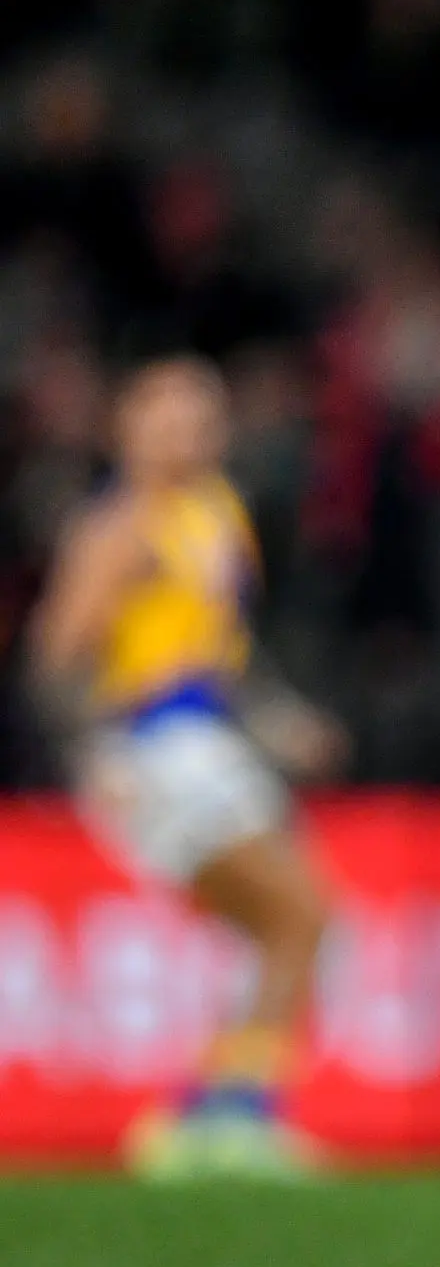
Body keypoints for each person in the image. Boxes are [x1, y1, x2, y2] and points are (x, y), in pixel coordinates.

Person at [29, 355, 342, 1181]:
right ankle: (229, 1116)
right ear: (125, 428)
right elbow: (55, 658)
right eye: (166, 413)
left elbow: (221, 653)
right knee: (298, 914)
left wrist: (278, 720)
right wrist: (90, 755)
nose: (187, 429)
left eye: (202, 413)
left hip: (212, 745)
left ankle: (207, 1117)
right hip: (154, 751)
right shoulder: (119, 528)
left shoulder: (217, 514)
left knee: (282, 928)